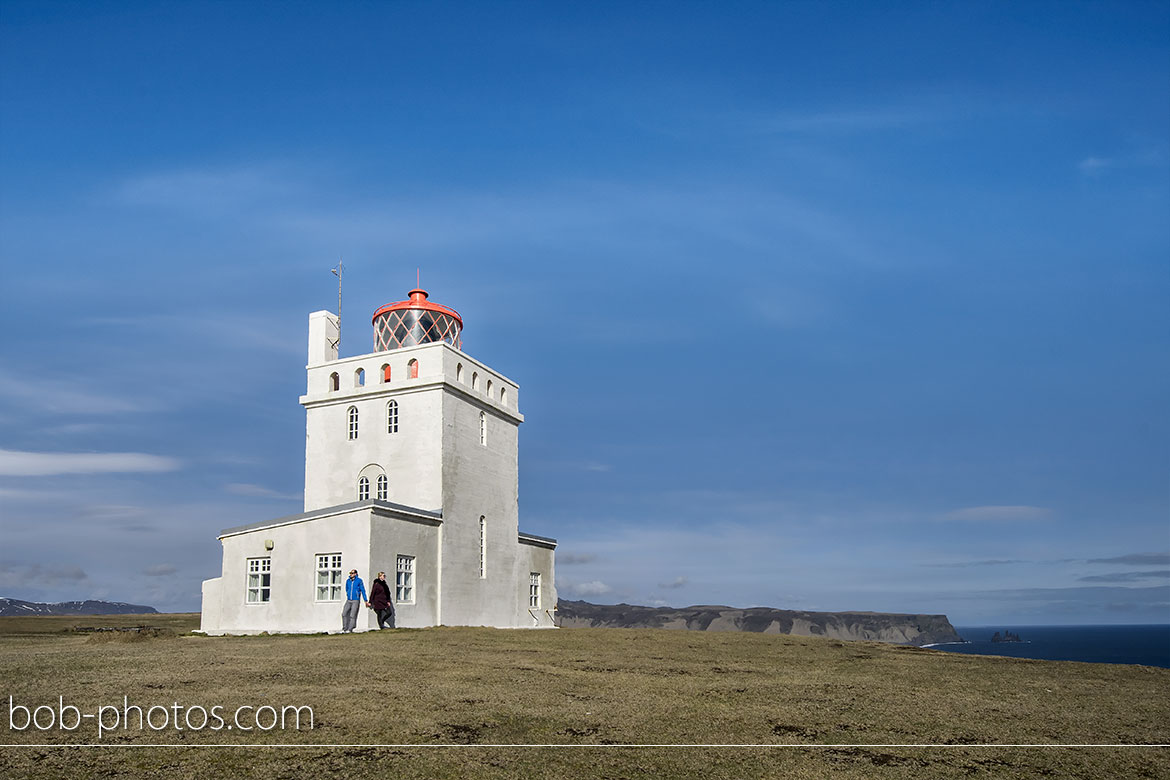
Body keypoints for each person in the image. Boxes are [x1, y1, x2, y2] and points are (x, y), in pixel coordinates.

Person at [341, 568, 367, 633]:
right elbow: (347, 588)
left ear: (355, 574)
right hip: (349, 599)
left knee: (352, 615)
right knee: (344, 613)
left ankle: (350, 629)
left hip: (356, 600)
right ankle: (344, 628)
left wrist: (365, 600)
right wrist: (348, 594)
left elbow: (363, 590)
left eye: (352, 573)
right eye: (350, 573)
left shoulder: (359, 580)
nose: (351, 574)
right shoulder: (348, 581)